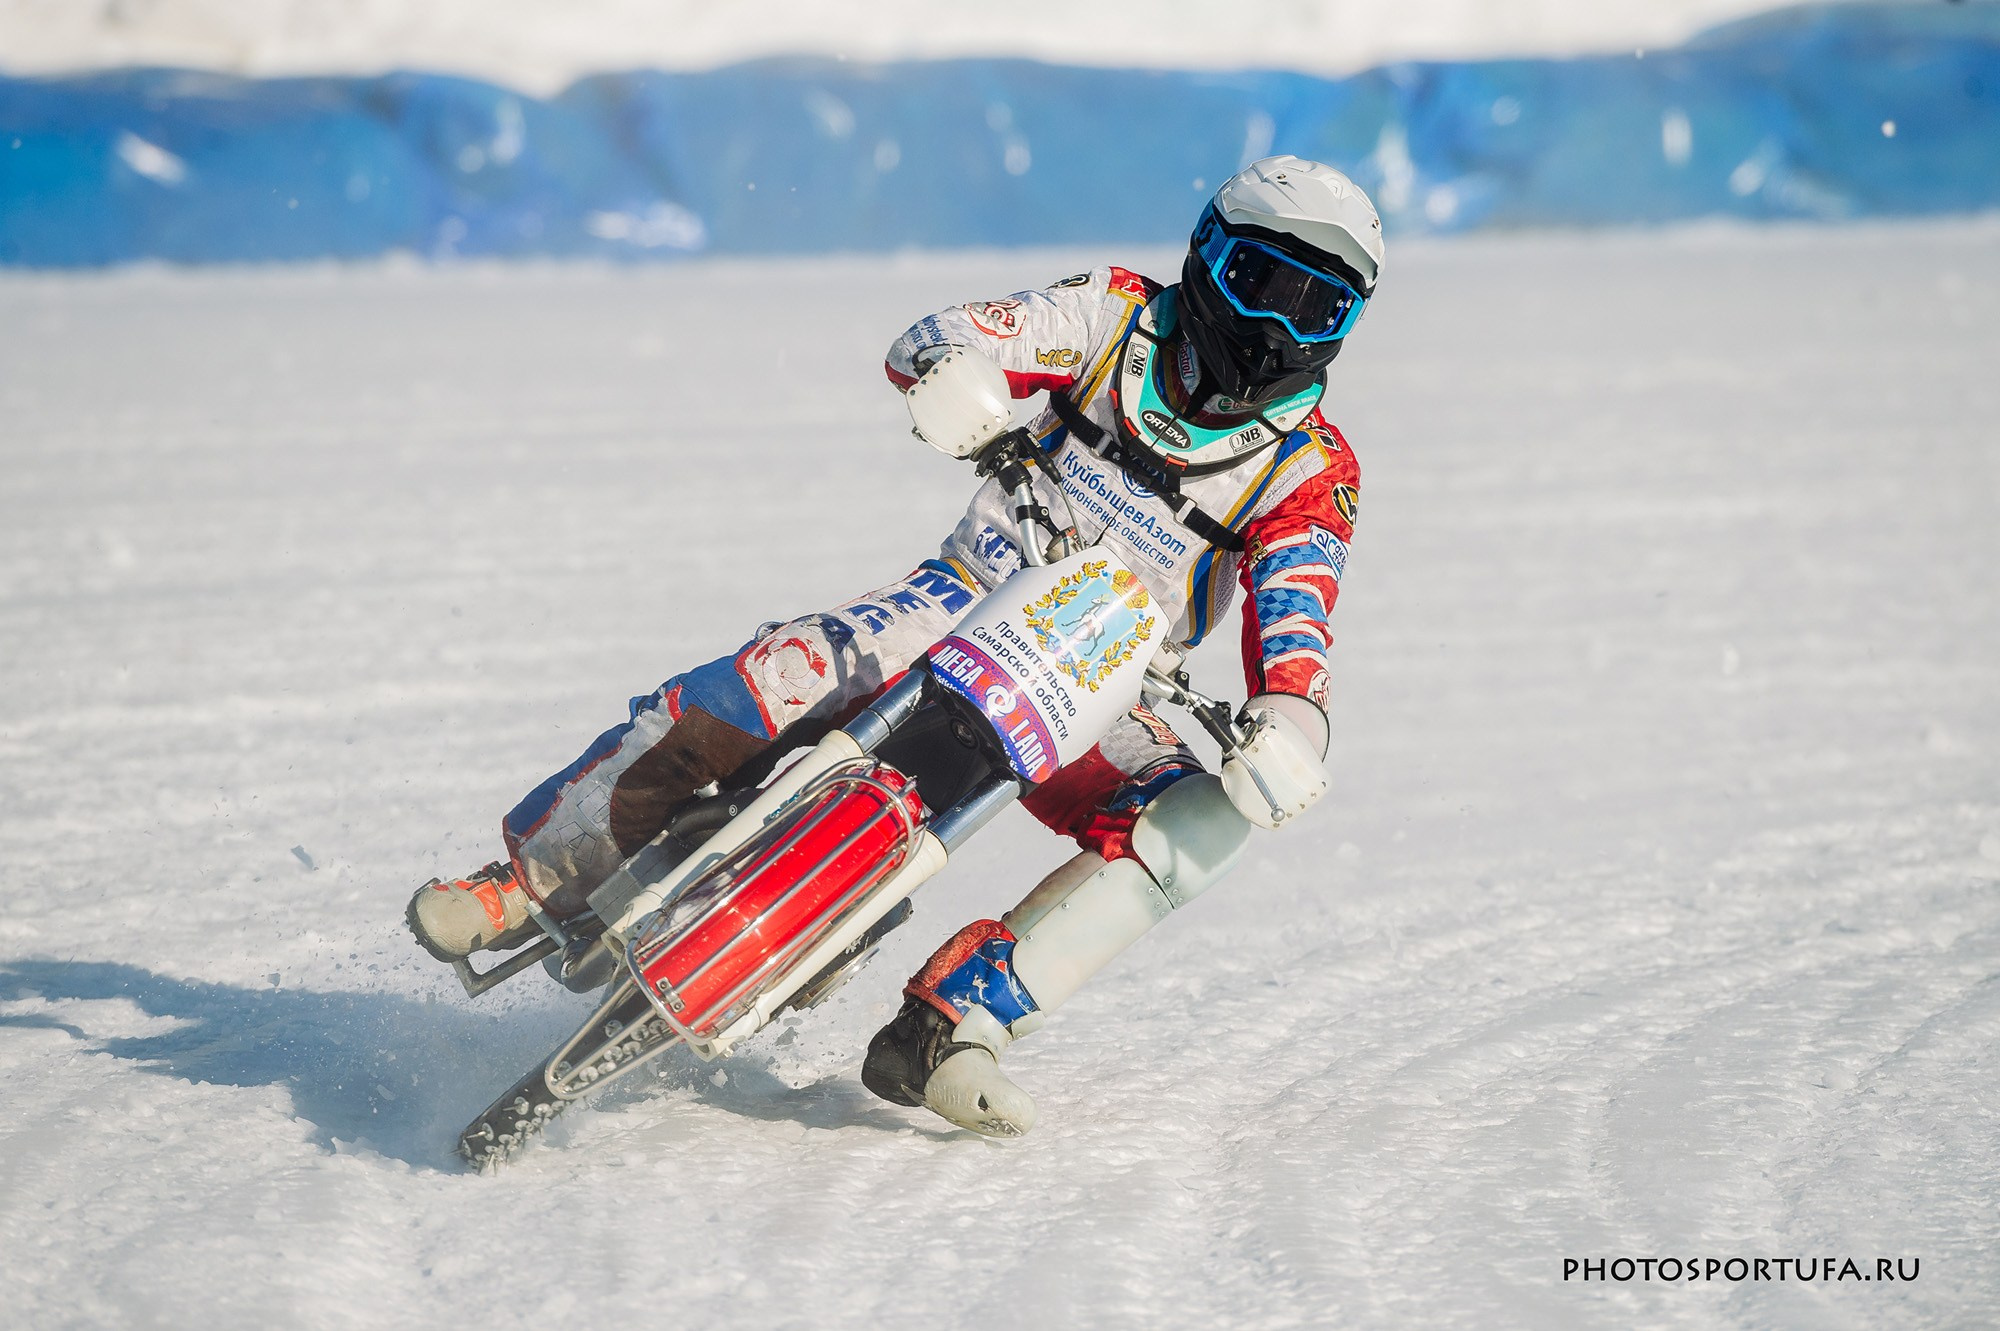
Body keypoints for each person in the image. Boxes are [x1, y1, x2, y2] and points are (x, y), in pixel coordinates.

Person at [409, 156, 1382, 1137]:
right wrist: (956, 376)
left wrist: (1289, 726)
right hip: (960, 600)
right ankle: (527, 885)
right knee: (782, 671)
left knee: (1199, 825)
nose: (1279, 328)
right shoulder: (1113, 315)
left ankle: (953, 1026)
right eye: (1263, 283)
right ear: (1208, 255)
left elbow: (1298, 621)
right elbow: (942, 335)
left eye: (1320, 309)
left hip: (1097, 689)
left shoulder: (1310, 470)